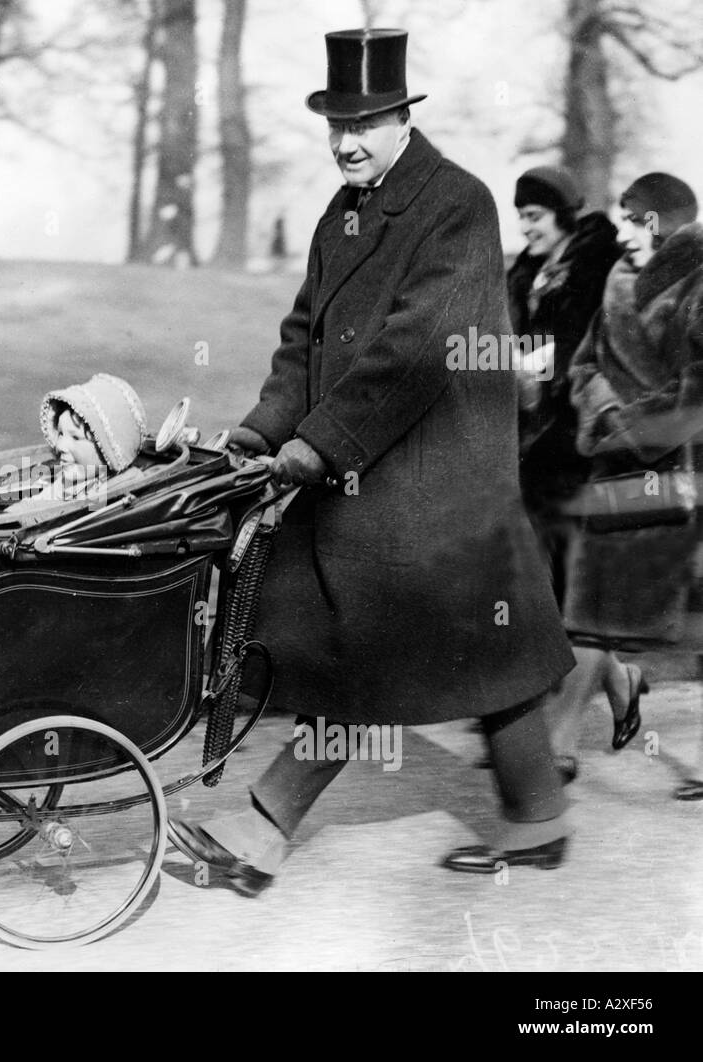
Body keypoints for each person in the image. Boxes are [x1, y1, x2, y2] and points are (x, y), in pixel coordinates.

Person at [168, 27, 576, 895]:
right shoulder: (341, 213)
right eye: (336, 124)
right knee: (470, 656)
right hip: (377, 470)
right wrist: (260, 431)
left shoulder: (456, 204)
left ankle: (265, 827)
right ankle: (539, 818)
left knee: (369, 655)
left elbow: (417, 348)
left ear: (402, 118)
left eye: (368, 121)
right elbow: (301, 341)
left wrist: (316, 446)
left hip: (436, 481)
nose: (348, 140)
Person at [551, 172, 703, 802]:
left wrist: (635, 427)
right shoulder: (616, 282)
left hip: (682, 472)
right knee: (586, 615)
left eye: (631, 220)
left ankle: (617, 701)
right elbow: (583, 366)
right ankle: (556, 748)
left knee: (690, 629)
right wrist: (610, 416)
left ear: (663, 225)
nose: (618, 233)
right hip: (614, 473)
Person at [503, 166, 623, 781]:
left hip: (583, 444)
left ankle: (563, 738)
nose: (526, 226)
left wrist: (544, 375)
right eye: (520, 215)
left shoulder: (595, 266)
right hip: (534, 442)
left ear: (563, 216)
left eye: (536, 216)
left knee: (578, 585)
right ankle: (614, 679)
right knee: (542, 577)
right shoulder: (523, 271)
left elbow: (589, 348)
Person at [4, 373, 148, 512]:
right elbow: (35, 505)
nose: (60, 446)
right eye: (60, 433)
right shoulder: (70, 481)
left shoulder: (119, 488)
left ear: (109, 450)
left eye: (76, 438)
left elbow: (88, 520)